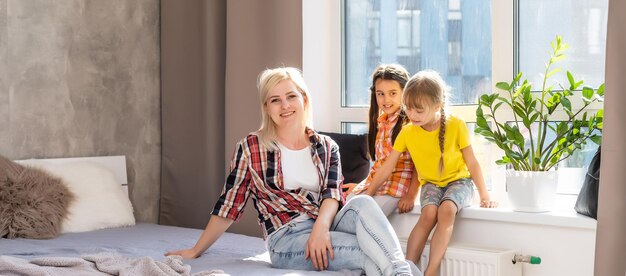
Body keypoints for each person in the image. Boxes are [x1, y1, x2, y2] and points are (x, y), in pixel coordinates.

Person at [165, 67, 421, 276]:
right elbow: (229, 206)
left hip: (327, 223)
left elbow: (332, 195)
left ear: (304, 100)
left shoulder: (326, 146)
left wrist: (320, 229)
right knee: (371, 252)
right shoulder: (251, 148)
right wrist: (196, 250)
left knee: (364, 202)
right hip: (287, 238)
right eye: (275, 100)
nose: (284, 105)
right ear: (266, 107)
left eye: (291, 96)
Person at [366, 70, 497, 276]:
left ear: (438, 106)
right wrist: (368, 193)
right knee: (427, 214)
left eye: (419, 110)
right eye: (408, 108)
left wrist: (485, 195)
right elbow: (387, 167)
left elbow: (472, 162)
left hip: (459, 181)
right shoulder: (408, 131)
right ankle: (407, 269)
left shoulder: (456, 125)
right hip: (431, 184)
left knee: (446, 211)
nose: (412, 115)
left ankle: (431, 271)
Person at [347, 64, 420, 216]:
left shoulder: (410, 124)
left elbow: (419, 166)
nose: (386, 99)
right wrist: (364, 186)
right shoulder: (383, 121)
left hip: (396, 188)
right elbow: (380, 165)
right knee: (344, 207)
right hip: (378, 185)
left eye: (393, 93)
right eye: (380, 94)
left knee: (359, 217)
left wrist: (411, 196)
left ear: (405, 93)